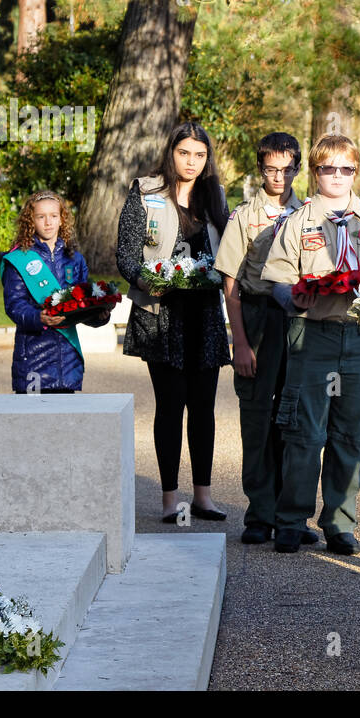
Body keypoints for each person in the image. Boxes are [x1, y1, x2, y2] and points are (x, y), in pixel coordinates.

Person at [261, 134, 360, 554]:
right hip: (313, 335)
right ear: (316, 172)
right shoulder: (297, 222)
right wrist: (294, 298)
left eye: (346, 169)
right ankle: (291, 519)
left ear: (355, 172)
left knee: (351, 433)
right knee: (304, 431)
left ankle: (340, 522)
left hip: (358, 338)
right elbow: (278, 279)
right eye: (328, 168)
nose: (337, 176)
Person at [117, 121, 231, 524]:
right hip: (160, 315)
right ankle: (169, 499)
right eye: (184, 153)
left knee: (204, 408)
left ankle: (203, 496)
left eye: (200, 155)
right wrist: (148, 279)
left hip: (206, 316)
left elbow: (229, 253)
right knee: (170, 407)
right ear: (171, 153)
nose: (192, 162)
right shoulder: (145, 192)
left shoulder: (214, 196)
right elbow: (126, 255)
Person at [214, 132, 316, 546]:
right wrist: (240, 341)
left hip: (295, 319)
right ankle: (260, 512)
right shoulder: (244, 216)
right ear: (261, 169)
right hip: (256, 317)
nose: (279, 176)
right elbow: (231, 282)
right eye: (271, 169)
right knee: (256, 417)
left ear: (297, 169)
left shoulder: (310, 213)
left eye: (287, 168)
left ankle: (291, 514)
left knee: (295, 418)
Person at [1, 190, 107, 394]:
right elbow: (14, 305)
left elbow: (82, 303)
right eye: (41, 217)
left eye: (54, 216)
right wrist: (39, 318)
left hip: (67, 361)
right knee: (32, 423)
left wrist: (99, 315)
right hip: (33, 356)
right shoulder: (19, 259)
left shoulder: (74, 259)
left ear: (62, 219)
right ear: (30, 221)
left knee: (67, 423)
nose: (48, 222)